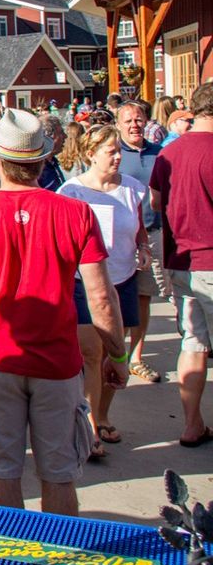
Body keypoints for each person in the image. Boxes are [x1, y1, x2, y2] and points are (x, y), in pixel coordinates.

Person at [0, 109, 127, 516]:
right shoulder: (76, 213)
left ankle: (12, 556)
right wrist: (119, 355)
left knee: (1, 472)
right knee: (59, 474)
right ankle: (58, 555)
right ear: (41, 161)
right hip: (56, 363)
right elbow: (101, 298)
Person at [58, 125, 148, 459]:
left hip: (122, 279)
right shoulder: (72, 192)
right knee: (91, 354)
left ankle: (105, 413)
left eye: (118, 149)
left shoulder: (133, 189)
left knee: (116, 351)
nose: (117, 156)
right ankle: (92, 423)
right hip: (84, 283)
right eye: (109, 150)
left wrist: (143, 247)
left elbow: (137, 228)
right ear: (90, 154)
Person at [149, 81, 213, 447]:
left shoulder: (169, 154)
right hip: (209, 257)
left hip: (180, 259)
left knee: (192, 343)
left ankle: (192, 424)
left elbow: (156, 203)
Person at [116, 100, 167, 384]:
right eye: (128, 121)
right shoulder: (113, 154)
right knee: (117, 296)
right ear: (118, 125)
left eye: (139, 120)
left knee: (144, 296)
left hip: (152, 232)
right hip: (120, 238)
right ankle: (116, 353)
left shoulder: (160, 153)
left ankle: (137, 356)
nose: (135, 125)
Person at [37, 115, 66, 192]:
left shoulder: (53, 162)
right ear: (49, 136)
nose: (65, 136)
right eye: (61, 132)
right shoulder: (37, 169)